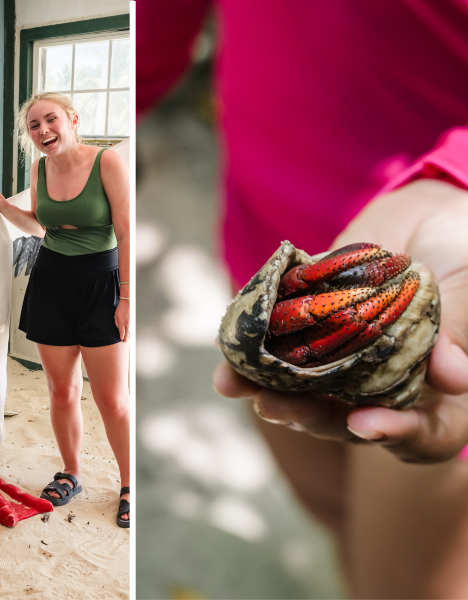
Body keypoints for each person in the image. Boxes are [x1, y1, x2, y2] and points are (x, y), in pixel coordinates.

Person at [139, 1, 468, 596]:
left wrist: (455, 180)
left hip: (452, 294)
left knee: (400, 581)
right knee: (334, 512)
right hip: (263, 235)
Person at [0, 92, 131, 528]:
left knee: (112, 399)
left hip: (103, 285)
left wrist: (127, 298)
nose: (43, 131)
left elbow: (126, 231)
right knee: (62, 392)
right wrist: (5, 207)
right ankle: (72, 473)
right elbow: (43, 226)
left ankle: (129, 485)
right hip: (50, 283)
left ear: (72, 120)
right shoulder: (39, 168)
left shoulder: (107, 163)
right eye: (34, 126)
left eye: (51, 120)